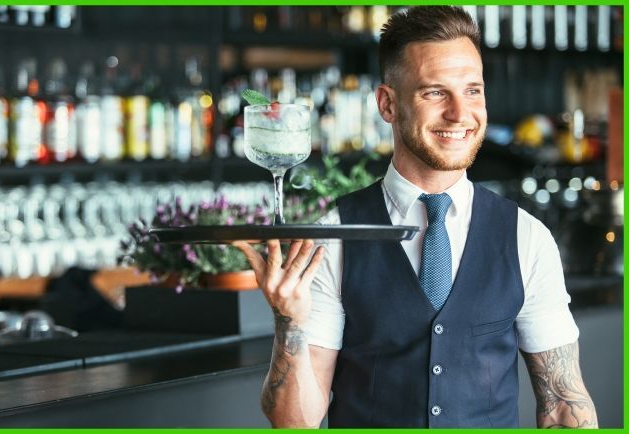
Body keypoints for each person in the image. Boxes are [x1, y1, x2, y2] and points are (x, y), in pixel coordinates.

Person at [234, 6, 598, 429]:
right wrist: (289, 322)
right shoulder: (334, 236)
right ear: (388, 104)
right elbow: (294, 421)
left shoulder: (527, 237)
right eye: (435, 92)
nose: (460, 113)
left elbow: (563, 407)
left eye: (473, 90)